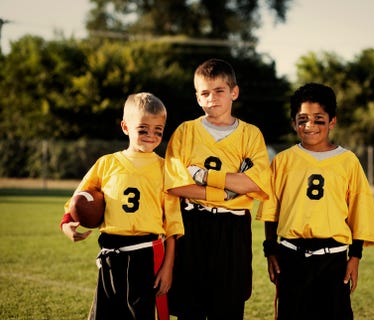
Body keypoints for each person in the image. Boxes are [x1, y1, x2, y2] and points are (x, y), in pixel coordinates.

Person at [257, 83, 374, 320]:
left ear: (332, 121)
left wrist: (355, 257)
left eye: (318, 119)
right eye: (302, 119)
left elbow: (359, 212)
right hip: (291, 257)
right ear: (294, 122)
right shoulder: (283, 161)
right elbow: (272, 210)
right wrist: (270, 250)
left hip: (333, 259)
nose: (309, 126)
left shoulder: (348, 161)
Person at [60, 92, 184, 320]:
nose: (151, 135)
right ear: (126, 127)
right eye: (143, 129)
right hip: (110, 255)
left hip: (146, 253)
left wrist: (168, 267)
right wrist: (67, 222)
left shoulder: (165, 169)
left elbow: (173, 224)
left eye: (158, 130)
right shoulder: (107, 163)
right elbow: (79, 197)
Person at [164, 58, 271, 320]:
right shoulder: (185, 131)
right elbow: (175, 184)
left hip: (232, 229)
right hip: (192, 225)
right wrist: (224, 192)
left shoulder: (250, 134)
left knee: (228, 306)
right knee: (189, 309)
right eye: (205, 93)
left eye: (219, 91)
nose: (212, 98)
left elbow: (254, 183)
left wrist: (202, 175)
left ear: (234, 92)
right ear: (198, 98)